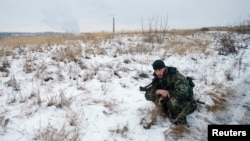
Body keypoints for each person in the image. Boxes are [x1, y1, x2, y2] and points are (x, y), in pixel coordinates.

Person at [145, 60, 197, 125]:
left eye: (160, 70)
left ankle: (181, 123)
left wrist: (165, 95)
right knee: (154, 96)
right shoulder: (157, 78)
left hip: (187, 102)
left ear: (164, 68)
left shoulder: (176, 76)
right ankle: (167, 113)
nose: (158, 73)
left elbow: (183, 93)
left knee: (172, 101)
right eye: (156, 71)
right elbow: (147, 95)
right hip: (170, 100)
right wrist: (158, 91)